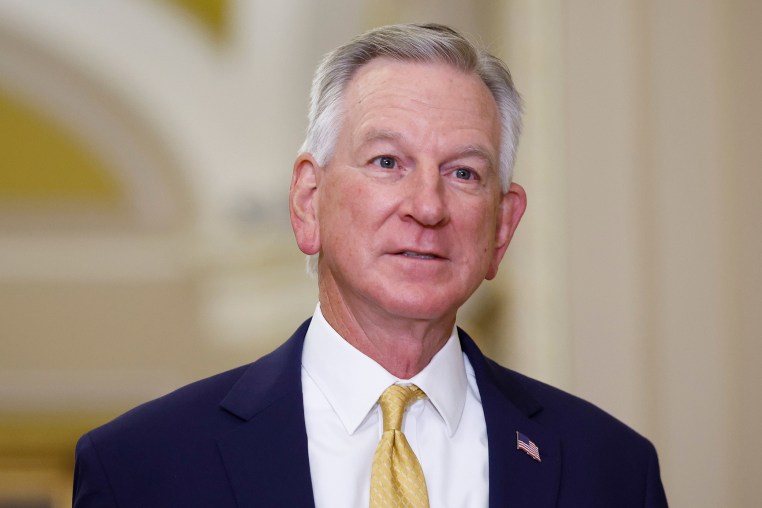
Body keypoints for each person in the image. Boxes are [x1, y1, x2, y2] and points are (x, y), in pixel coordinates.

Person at [72, 23, 668, 507]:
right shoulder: (142, 469)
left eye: (463, 173)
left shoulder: (610, 470)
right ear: (308, 201)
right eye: (387, 162)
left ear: (502, 227)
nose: (427, 207)